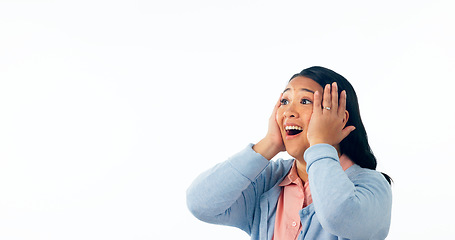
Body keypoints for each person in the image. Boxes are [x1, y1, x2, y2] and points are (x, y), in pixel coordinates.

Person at [186, 66, 392, 240]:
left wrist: (321, 143)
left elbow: (338, 215)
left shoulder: (371, 186)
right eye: (284, 101)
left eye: (304, 101)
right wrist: (269, 144)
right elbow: (200, 204)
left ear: (341, 118)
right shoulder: (268, 181)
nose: (288, 112)